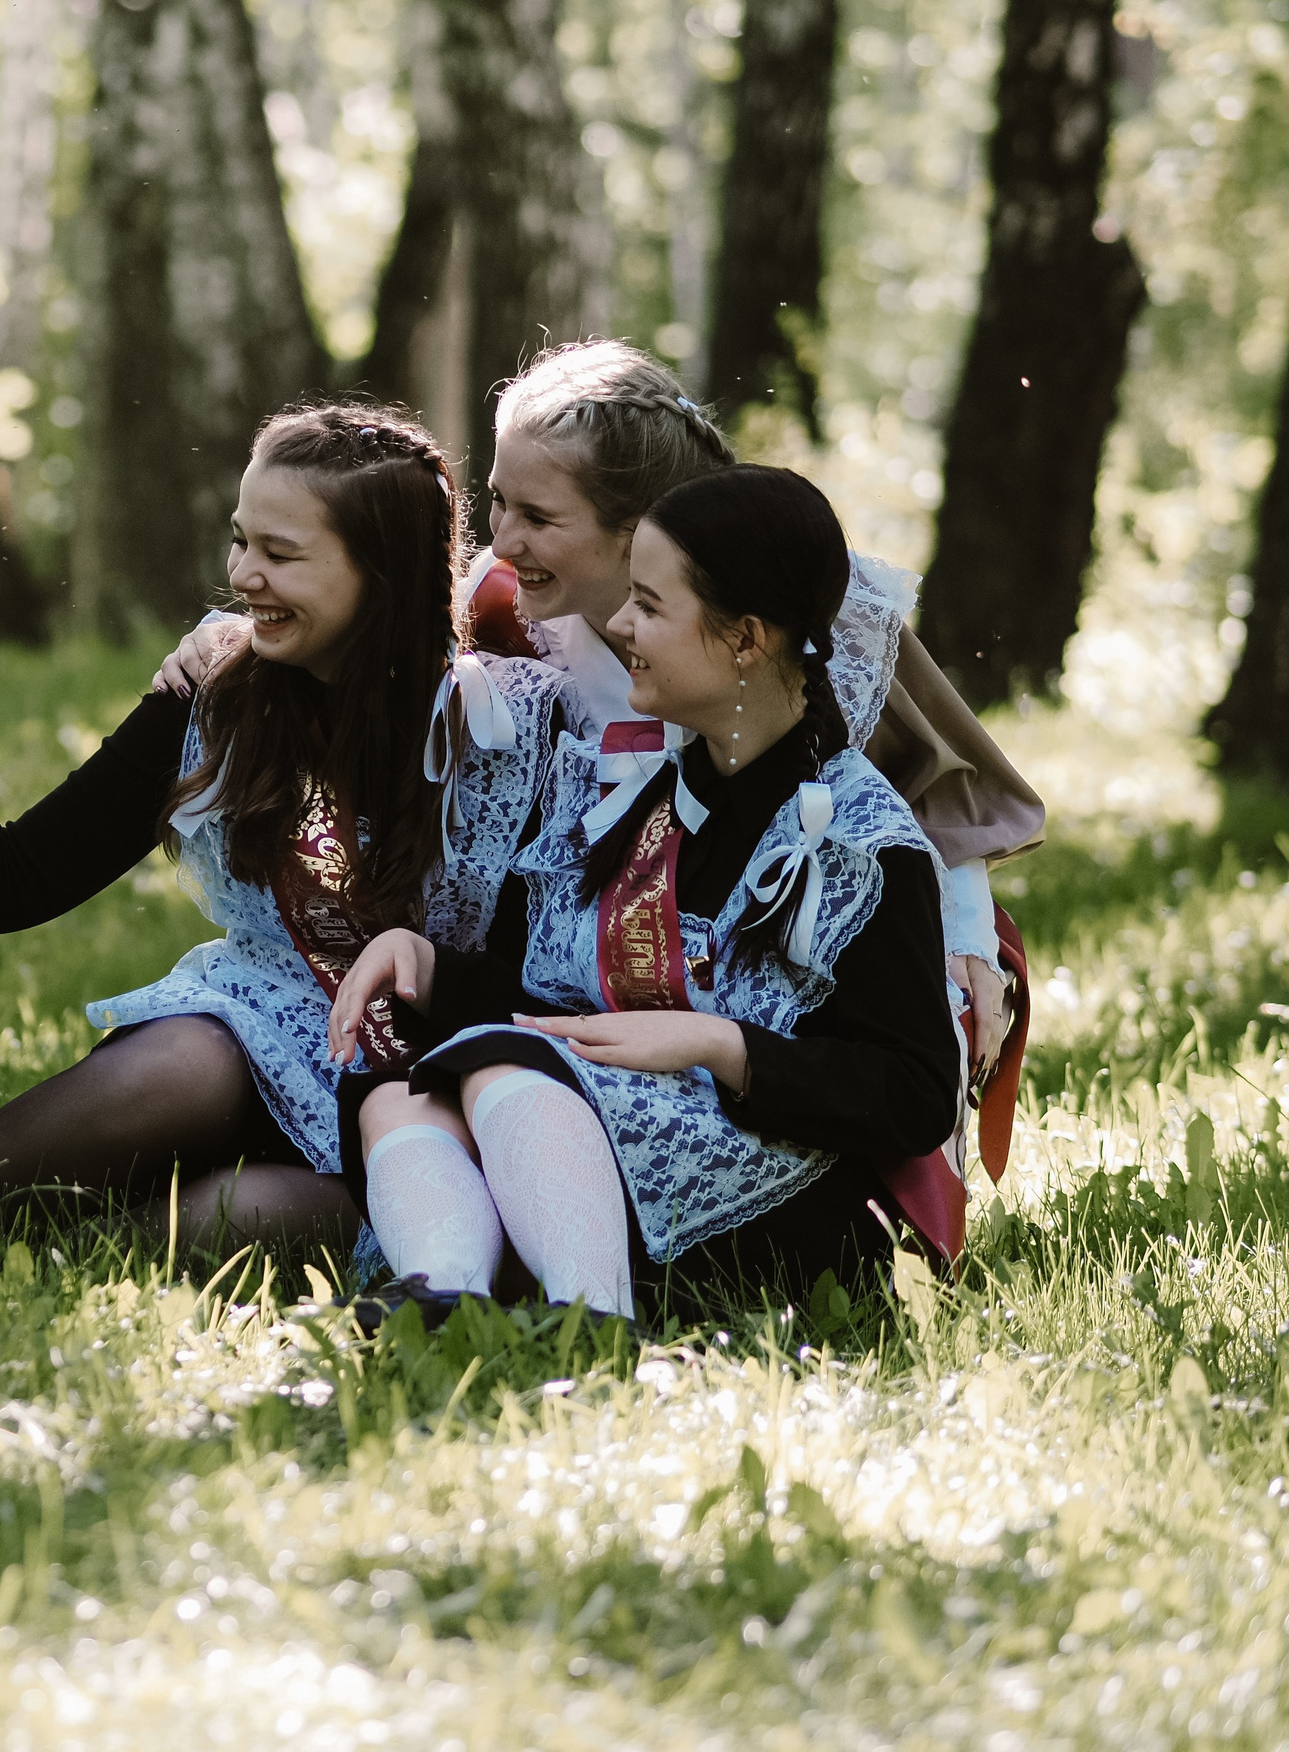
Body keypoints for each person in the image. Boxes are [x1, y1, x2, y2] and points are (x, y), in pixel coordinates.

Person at [166, 340, 1043, 1090]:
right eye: (498, 502)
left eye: (539, 516)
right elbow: (362, 653)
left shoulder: (788, 605)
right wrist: (226, 646)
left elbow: (928, 790)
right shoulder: (504, 613)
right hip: (584, 954)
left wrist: (966, 941)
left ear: (640, 530)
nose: (501, 540)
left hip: (792, 948)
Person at [0, 404, 560, 1265]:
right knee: (184, 1058)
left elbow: (547, 982)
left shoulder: (512, 731)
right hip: (251, 1035)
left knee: (230, 1219)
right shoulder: (217, 691)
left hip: (428, 1087)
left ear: (381, 572)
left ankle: (42, 1260)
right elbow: (10, 886)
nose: (242, 574)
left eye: (280, 554)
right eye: (241, 542)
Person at [328, 467, 958, 1320]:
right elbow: (542, 1005)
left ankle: (589, 1321)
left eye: (651, 606)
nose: (621, 625)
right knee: (401, 1081)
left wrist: (719, 1045)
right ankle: (442, 1299)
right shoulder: (634, 807)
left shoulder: (861, 844)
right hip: (599, 1149)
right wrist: (427, 968)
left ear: (745, 640)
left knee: (505, 1070)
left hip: (794, 1216)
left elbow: (914, 1096)